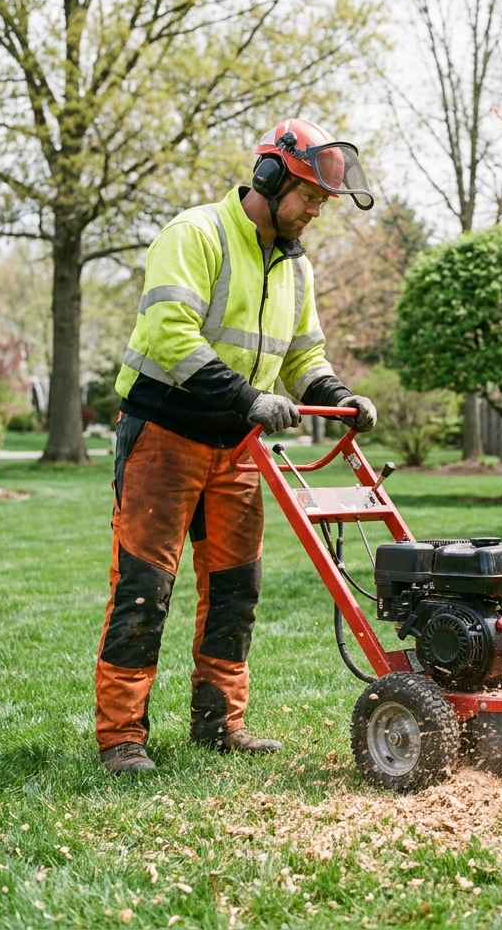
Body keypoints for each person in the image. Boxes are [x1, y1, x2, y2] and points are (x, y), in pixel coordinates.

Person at [94, 119, 377, 775]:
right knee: (144, 587)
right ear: (271, 178)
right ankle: (122, 737)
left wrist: (338, 397)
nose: (315, 212)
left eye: (322, 202)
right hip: (165, 433)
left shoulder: (294, 264)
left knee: (234, 589)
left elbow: (305, 354)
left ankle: (220, 723)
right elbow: (170, 333)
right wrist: (246, 396)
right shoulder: (196, 235)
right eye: (308, 196)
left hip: (237, 444)